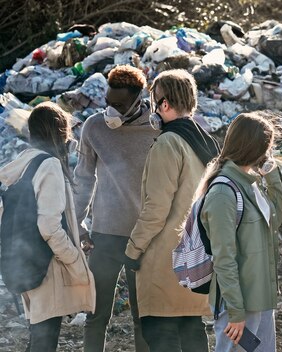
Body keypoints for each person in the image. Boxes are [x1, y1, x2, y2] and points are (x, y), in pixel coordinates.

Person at [124, 69, 219, 352]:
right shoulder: (206, 141)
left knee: (161, 334)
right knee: (191, 331)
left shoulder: (168, 142)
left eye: (154, 101)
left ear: (163, 104)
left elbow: (156, 209)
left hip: (165, 260)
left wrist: (132, 250)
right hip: (196, 257)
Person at [0, 102, 95, 352]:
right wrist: (74, 259)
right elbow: (50, 226)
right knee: (45, 340)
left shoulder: (24, 162)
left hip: (26, 261)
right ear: (60, 132)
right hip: (48, 266)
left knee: (38, 335)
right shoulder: (49, 164)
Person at [74, 65, 156, 352]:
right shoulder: (94, 127)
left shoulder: (156, 127)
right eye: (108, 104)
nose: (112, 111)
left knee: (143, 317)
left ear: (138, 100)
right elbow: (84, 177)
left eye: (119, 105)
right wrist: (77, 225)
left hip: (144, 236)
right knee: (96, 315)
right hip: (105, 234)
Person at [200, 112, 282, 351]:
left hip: (261, 300)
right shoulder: (223, 193)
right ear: (255, 149)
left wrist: (272, 174)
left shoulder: (249, 184)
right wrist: (236, 312)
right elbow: (224, 258)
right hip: (239, 307)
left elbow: (274, 220)